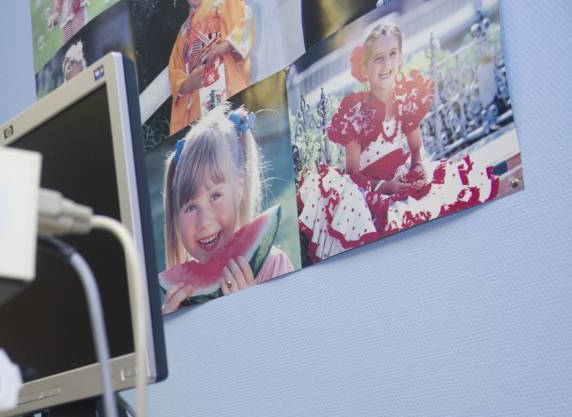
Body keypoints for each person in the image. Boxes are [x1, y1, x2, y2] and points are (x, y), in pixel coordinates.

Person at [296, 21, 499, 262]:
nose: (386, 64)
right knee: (398, 229)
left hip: (401, 179)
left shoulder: (404, 99)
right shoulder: (357, 112)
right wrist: (387, 187)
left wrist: (418, 168)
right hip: (373, 190)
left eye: (392, 54)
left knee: (443, 199)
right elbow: (353, 176)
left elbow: (415, 150)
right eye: (378, 58)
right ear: (365, 69)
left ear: (400, 58)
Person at [161, 104, 293, 314]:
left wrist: (250, 312)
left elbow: (290, 339)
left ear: (239, 189)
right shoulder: (182, 295)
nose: (204, 221)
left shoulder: (274, 266)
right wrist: (172, 328)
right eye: (190, 207)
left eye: (215, 196)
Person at [168, 0, 254, 136]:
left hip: (227, 81)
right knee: (206, 142)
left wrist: (225, 45)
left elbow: (245, 20)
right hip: (198, 97)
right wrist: (186, 84)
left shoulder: (225, 2)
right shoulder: (183, 32)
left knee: (234, 134)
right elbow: (174, 71)